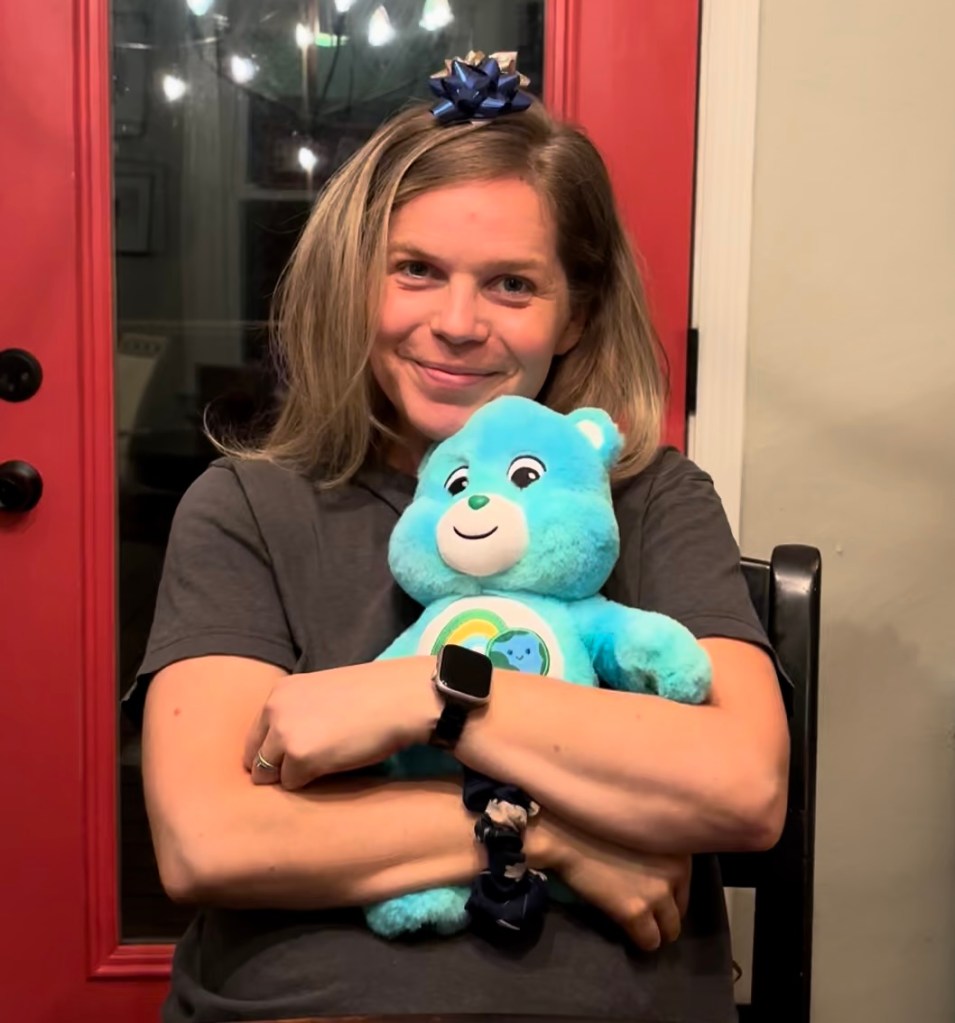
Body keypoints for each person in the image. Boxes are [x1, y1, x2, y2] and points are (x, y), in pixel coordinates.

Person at [134, 53, 789, 1023]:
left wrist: (425, 696)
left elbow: (743, 788)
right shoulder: (247, 507)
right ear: (358, 282)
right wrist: (547, 837)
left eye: (512, 285)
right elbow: (209, 842)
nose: (454, 323)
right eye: (415, 270)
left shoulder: (648, 499)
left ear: (575, 314)